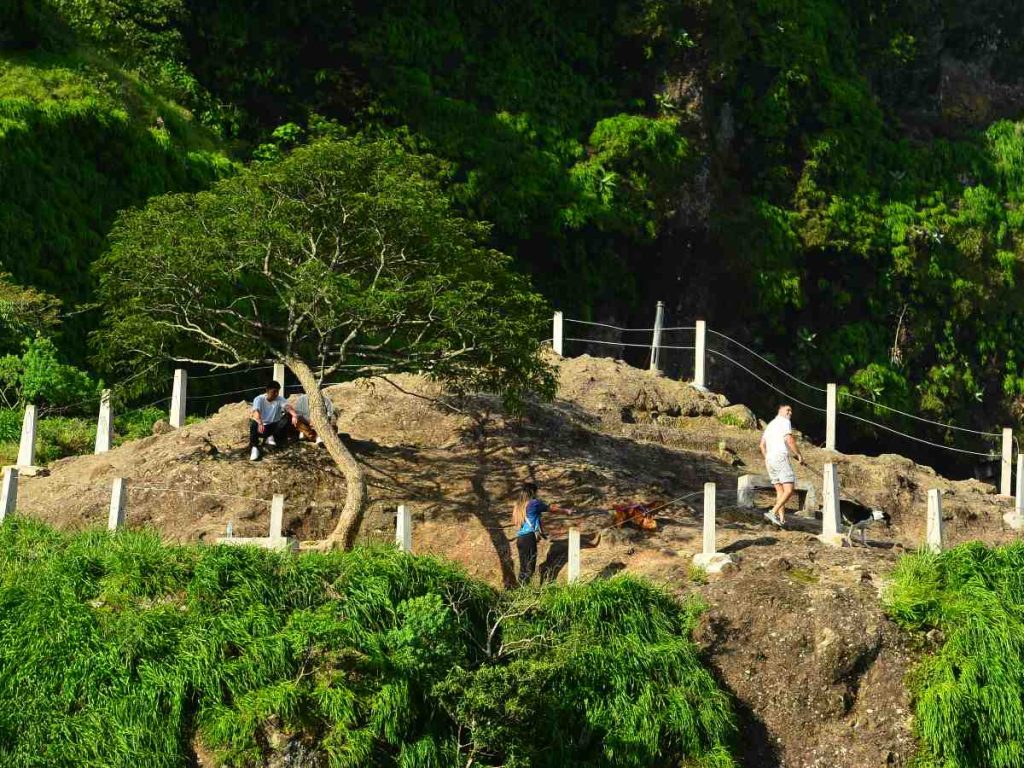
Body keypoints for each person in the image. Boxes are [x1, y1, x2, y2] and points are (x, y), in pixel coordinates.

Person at [512, 482, 568, 586]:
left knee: (523, 568)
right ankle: (524, 592)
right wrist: (566, 511)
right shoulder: (534, 503)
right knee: (530, 568)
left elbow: (519, 522)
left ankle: (519, 592)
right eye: (536, 492)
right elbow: (551, 509)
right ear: (532, 492)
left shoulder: (518, 506)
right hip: (529, 538)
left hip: (520, 538)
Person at [760, 403, 804, 527]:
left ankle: (782, 519)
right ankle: (773, 512)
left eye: (791, 411)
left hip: (769, 459)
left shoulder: (770, 425)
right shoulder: (784, 421)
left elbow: (762, 445)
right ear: (780, 410)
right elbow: (789, 440)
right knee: (789, 489)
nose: (790, 413)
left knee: (780, 490)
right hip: (779, 457)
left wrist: (768, 457)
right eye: (788, 410)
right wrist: (799, 455)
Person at [249, 381, 287, 461]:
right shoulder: (259, 399)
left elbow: (288, 407)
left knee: (287, 418)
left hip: (273, 426)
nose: (276, 394)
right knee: (253, 423)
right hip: (261, 426)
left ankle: (270, 437)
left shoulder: (280, 399)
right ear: (267, 391)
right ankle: (254, 447)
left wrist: (294, 415)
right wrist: (260, 422)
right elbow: (256, 411)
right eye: (274, 392)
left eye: (277, 391)